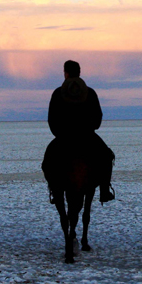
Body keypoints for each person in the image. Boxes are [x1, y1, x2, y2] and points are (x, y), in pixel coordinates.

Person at [43, 60, 115, 203]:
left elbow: (52, 120)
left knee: (47, 163)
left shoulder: (58, 93)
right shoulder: (91, 93)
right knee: (107, 158)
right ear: (79, 73)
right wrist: (89, 128)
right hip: (88, 136)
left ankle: (55, 192)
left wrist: (59, 134)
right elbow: (98, 119)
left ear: (66, 73)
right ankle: (104, 191)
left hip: (64, 137)